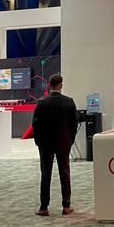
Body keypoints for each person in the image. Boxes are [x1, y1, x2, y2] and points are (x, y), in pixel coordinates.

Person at [32, 74, 78, 217]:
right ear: (61, 85)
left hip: (45, 145)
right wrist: (70, 140)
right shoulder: (69, 102)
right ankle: (66, 206)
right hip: (64, 143)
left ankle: (44, 207)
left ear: (49, 85)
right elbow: (74, 125)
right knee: (64, 173)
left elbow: (35, 125)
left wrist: (38, 142)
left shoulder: (41, 103)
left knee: (45, 174)